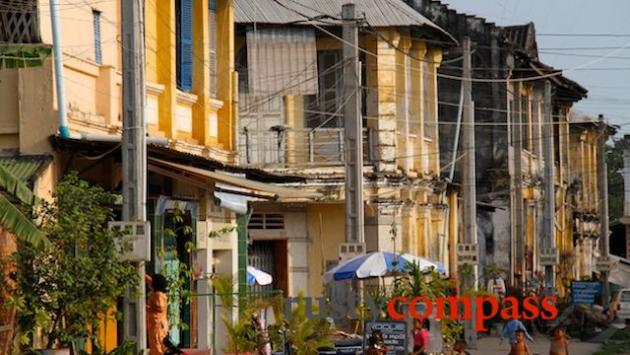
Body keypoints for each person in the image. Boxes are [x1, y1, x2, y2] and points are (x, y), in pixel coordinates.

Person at [146, 273, 169, 355]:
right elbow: (150, 280)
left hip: (158, 326)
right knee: (156, 348)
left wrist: (148, 307)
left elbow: (159, 307)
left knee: (157, 349)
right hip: (158, 326)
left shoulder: (158, 294)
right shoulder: (161, 293)